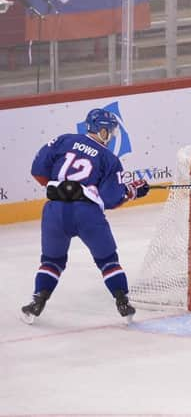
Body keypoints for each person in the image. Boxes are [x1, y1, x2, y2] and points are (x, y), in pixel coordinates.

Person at [20, 108, 150, 325]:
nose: (112, 135)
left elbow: (38, 170)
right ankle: (122, 303)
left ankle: (37, 303)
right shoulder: (110, 159)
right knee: (108, 261)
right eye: (110, 131)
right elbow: (110, 199)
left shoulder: (63, 140)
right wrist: (132, 191)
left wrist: (61, 189)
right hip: (86, 214)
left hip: (55, 211)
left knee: (51, 261)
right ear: (101, 130)